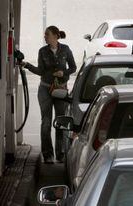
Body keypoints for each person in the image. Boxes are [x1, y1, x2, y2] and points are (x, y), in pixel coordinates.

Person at [22, 26, 76, 164]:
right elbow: (40, 71)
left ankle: (61, 153)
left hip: (61, 90)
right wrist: (27, 65)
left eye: (47, 34)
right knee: (46, 122)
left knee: (60, 122)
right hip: (45, 89)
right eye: (45, 35)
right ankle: (47, 154)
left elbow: (73, 67)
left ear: (55, 36)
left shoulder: (65, 49)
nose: (45, 37)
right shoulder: (43, 51)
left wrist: (63, 73)